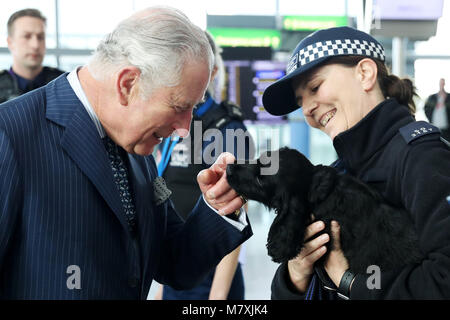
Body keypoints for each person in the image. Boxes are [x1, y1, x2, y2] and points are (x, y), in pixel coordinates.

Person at [0, 6, 252, 299]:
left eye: (193, 109)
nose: (185, 128)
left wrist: (217, 206)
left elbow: (173, 263)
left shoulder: (136, 143)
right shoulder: (10, 135)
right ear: (128, 84)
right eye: (181, 107)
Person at [262, 26, 450, 299]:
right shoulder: (340, 172)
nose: (306, 109)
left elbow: (444, 280)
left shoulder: (422, 158)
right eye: (300, 100)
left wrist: (353, 284)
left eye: (315, 87)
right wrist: (295, 276)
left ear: (365, 73)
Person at [155, 31, 253, 300]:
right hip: (178, 266)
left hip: (212, 276)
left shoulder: (226, 127)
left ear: (213, 72)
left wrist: (218, 296)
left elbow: (236, 210)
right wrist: (162, 288)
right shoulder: (174, 125)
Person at [0, 8, 64, 103]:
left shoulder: (64, 84)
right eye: (27, 36)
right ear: (10, 43)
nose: (36, 45)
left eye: (40, 37)